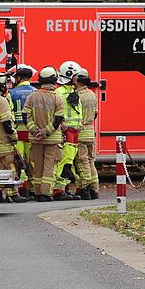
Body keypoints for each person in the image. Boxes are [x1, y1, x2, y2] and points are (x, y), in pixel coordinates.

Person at [24, 66, 65, 202]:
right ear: (54, 80)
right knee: (49, 167)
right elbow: (58, 119)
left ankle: (37, 193)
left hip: (35, 139)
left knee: (37, 167)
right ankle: (46, 194)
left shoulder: (32, 96)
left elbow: (25, 116)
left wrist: (35, 131)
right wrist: (45, 132)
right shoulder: (57, 99)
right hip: (51, 139)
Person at [0, 72, 26, 203]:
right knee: (10, 167)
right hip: (4, 142)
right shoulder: (2, 101)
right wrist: (13, 136)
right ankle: (13, 193)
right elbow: (7, 122)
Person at [53, 60, 83, 200]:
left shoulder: (72, 91)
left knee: (68, 162)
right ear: (70, 76)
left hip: (74, 132)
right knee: (64, 162)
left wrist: (80, 122)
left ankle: (62, 189)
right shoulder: (58, 92)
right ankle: (58, 190)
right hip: (66, 133)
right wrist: (62, 123)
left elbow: (76, 111)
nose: (78, 79)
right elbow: (55, 111)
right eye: (76, 76)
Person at [9, 64, 37, 198]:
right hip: (32, 130)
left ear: (19, 78)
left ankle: (22, 187)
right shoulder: (36, 92)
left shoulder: (11, 93)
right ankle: (33, 187)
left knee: (19, 160)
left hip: (18, 130)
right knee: (32, 160)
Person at [74, 68, 99, 199]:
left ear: (78, 81)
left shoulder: (77, 96)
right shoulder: (92, 95)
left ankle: (85, 188)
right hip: (90, 131)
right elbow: (95, 114)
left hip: (81, 131)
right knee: (91, 161)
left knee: (82, 161)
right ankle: (95, 190)